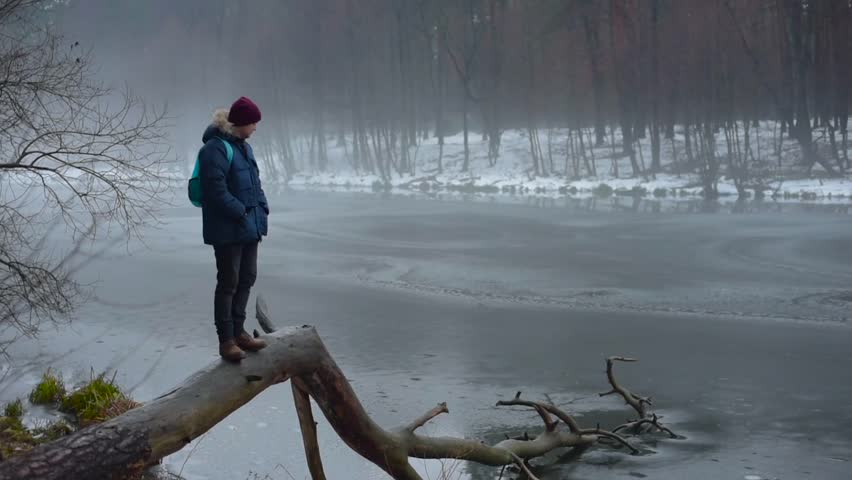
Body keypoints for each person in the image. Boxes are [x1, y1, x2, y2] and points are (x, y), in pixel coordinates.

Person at [198, 96, 270, 362]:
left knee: (246, 278)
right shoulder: (214, 149)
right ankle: (226, 341)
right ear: (241, 122)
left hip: (248, 226)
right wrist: (240, 211)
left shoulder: (244, 148)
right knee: (228, 282)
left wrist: (262, 209)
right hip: (227, 229)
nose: (256, 128)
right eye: (253, 122)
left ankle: (240, 332)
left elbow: (255, 184)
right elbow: (215, 190)